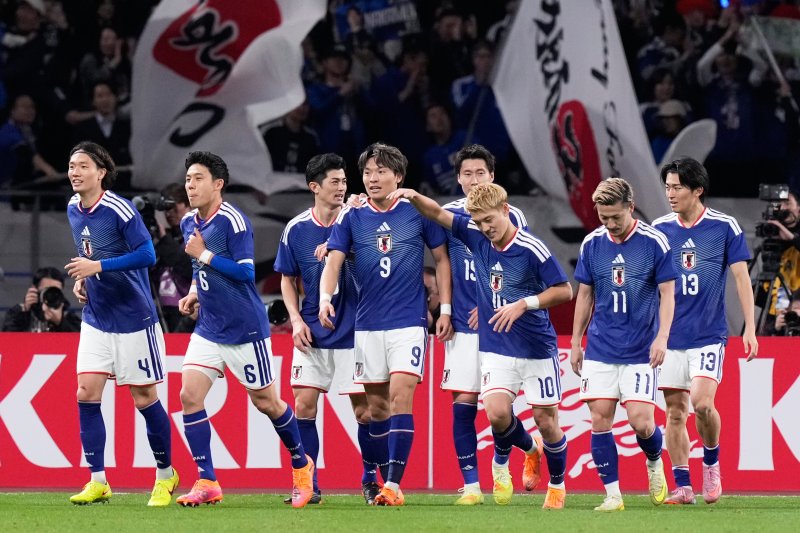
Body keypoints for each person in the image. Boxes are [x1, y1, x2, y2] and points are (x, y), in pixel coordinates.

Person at [387, 181, 571, 508]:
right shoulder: (475, 235)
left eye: (490, 220)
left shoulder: (531, 247)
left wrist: (522, 304)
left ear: (505, 210)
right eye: (480, 222)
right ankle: (531, 450)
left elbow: (564, 290)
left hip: (536, 349)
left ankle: (557, 484)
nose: (486, 228)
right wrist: (413, 196)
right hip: (497, 347)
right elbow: (439, 214)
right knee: (497, 414)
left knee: (547, 421)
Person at [175, 151, 314, 508]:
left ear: (218, 184)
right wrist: (193, 292)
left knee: (267, 402)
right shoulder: (188, 221)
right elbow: (198, 268)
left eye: (198, 178)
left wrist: (204, 255)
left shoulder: (234, 222)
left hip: (244, 330)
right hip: (208, 328)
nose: (190, 185)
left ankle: (302, 466)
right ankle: (207, 480)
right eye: (188, 179)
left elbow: (245, 273)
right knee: (189, 396)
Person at [318, 142, 453, 506]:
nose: (373, 178)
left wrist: (446, 309)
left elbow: (441, 259)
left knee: (400, 398)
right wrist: (325, 298)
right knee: (376, 411)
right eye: (367, 172)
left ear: (399, 176)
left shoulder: (416, 211)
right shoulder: (352, 215)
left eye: (380, 171)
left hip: (408, 323)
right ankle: (375, 477)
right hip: (367, 324)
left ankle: (393, 485)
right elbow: (333, 261)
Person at [63, 141, 177, 506]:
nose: (74, 172)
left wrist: (97, 267)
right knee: (86, 393)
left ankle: (165, 475)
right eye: (71, 166)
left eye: (82, 166)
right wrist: (84, 277)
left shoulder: (119, 209)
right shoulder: (72, 208)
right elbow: (89, 251)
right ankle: (98, 479)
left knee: (143, 398)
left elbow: (148, 254)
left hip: (133, 318)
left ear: (101, 172)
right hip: (97, 316)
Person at [274, 153, 380, 505]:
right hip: (312, 333)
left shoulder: (361, 220)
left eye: (344, 181)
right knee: (304, 407)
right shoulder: (297, 228)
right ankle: (308, 484)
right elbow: (288, 280)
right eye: (334, 182)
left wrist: (343, 248)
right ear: (314, 187)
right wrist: (296, 320)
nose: (341, 187)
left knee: (365, 412)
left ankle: (369, 480)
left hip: (356, 331)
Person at [653, 157, 758, 504]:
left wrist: (749, 328)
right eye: (667, 186)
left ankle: (711, 464)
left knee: (701, 404)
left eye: (677, 187)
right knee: (673, 412)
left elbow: (742, 278)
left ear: (697, 190)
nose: (670, 193)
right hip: (670, 337)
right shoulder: (660, 229)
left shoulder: (724, 226)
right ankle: (683, 486)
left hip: (708, 334)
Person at [570, 177, 676, 512]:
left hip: (641, 349)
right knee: (600, 418)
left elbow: (668, 294)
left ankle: (654, 459)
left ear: (631, 207)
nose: (611, 224)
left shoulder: (654, 242)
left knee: (641, 421)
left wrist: (662, 337)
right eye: (604, 218)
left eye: (616, 217)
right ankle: (613, 495)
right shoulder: (592, 244)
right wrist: (575, 341)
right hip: (601, 347)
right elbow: (584, 295)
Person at [436, 144, 532, 506]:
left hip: (501, 324)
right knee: (463, 402)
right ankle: (472, 486)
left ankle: (514, 455)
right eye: (467, 174)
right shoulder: (448, 215)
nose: (473, 180)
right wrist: (445, 309)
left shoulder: (513, 215)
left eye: (480, 173)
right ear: (458, 178)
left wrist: (494, 303)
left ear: (492, 176)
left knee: (497, 410)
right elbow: (441, 261)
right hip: (462, 323)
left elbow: (521, 269)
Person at [150, 182, 194, 332]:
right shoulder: (164, 238)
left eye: (173, 207)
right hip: (163, 309)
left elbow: (188, 267)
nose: (169, 213)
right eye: (165, 209)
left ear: (188, 204)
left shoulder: (197, 234)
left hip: (189, 310)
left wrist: (164, 241)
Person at [2, 266, 80, 332]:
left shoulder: (67, 315)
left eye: (55, 291)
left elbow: (80, 342)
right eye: (46, 290)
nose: (50, 294)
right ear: (34, 289)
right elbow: (8, 340)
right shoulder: (18, 312)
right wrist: (25, 313)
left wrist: (60, 322)